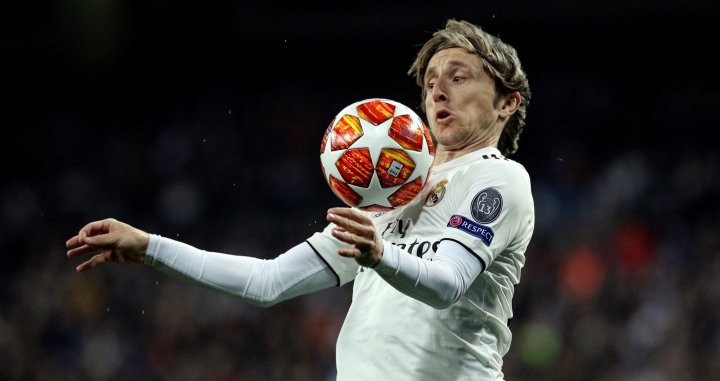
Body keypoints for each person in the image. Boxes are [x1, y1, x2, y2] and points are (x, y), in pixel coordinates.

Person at [66, 19, 534, 380]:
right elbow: (268, 282)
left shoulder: (498, 178)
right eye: (430, 80)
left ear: (506, 103)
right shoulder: (388, 195)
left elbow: (447, 282)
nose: (437, 90)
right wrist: (150, 247)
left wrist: (380, 254)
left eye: (459, 77)